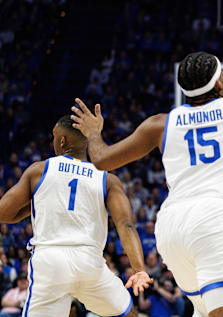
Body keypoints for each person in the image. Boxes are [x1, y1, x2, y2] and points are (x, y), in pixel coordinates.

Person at [70, 35, 223, 317]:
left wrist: (93, 134)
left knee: (204, 310)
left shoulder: (160, 124)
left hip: (171, 227)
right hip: (212, 219)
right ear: (220, 82)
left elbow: (101, 159)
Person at [0, 116, 151, 316]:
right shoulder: (107, 179)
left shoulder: (40, 170)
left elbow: (4, 212)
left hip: (50, 261)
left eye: (54, 136)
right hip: (89, 263)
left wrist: (41, 200)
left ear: (62, 141)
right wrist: (139, 269)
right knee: (128, 313)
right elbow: (126, 225)